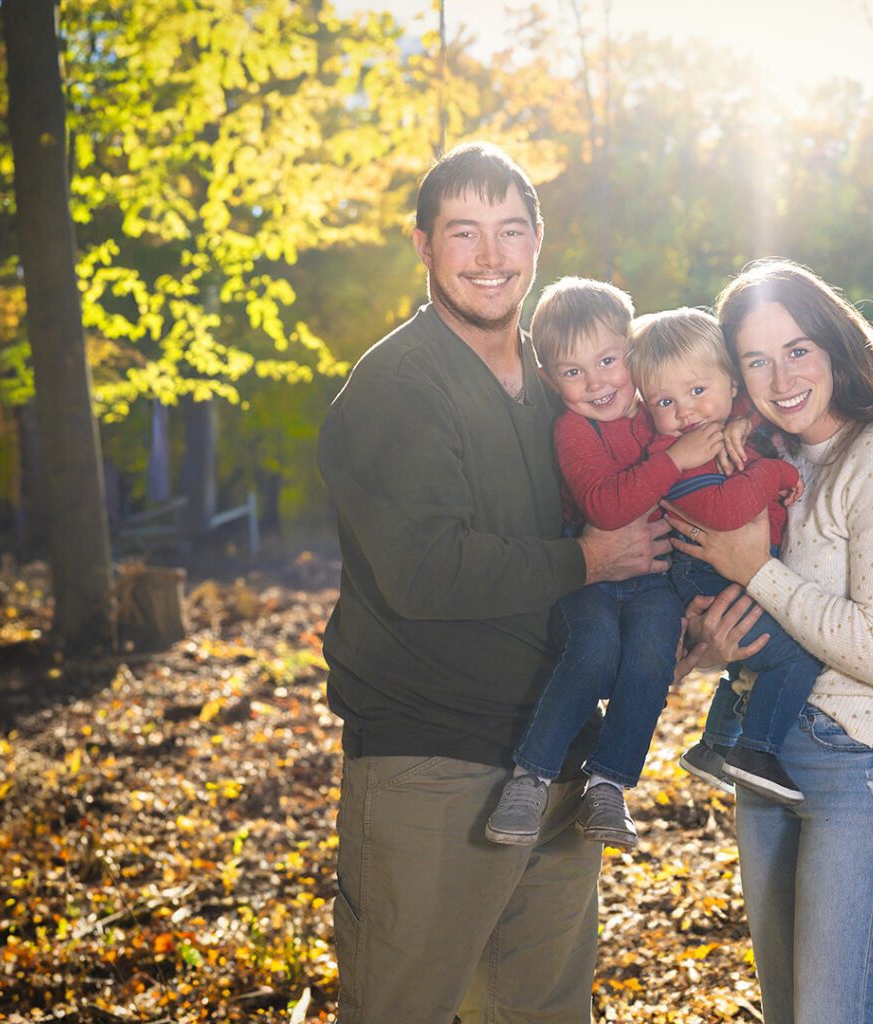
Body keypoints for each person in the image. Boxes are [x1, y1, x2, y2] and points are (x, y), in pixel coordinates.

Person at [316, 142, 671, 1024]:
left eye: (510, 230)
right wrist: (593, 560)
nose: (489, 255)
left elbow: (622, 527)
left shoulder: (564, 388)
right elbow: (425, 570)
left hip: (553, 766)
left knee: (545, 1011)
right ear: (423, 245)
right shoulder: (398, 386)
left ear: (538, 240)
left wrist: (677, 631)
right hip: (431, 762)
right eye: (463, 231)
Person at [664, 260, 873, 1024]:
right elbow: (765, 617)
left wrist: (755, 571)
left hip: (870, 757)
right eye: (756, 361)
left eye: (797, 349)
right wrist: (708, 642)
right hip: (768, 757)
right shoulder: (778, 456)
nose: (780, 376)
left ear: (837, 346)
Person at [485, 278, 727, 851]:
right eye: (573, 372)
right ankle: (531, 777)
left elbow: (713, 402)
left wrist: (732, 428)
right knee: (593, 652)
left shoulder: (658, 411)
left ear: (632, 352)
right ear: (549, 378)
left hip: (658, 575)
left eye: (609, 361)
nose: (597, 383)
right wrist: (674, 461)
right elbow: (607, 507)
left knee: (648, 660)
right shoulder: (574, 431)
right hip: (592, 572)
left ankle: (609, 784)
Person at [629, 308, 818, 806]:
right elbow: (726, 510)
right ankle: (755, 751)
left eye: (697, 391)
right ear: (647, 408)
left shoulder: (729, 426)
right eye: (665, 401)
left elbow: (755, 407)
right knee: (793, 655)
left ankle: (714, 746)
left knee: (745, 666)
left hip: (732, 574)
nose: (686, 411)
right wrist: (774, 474)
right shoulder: (674, 455)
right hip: (708, 579)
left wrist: (741, 421)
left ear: (732, 385)